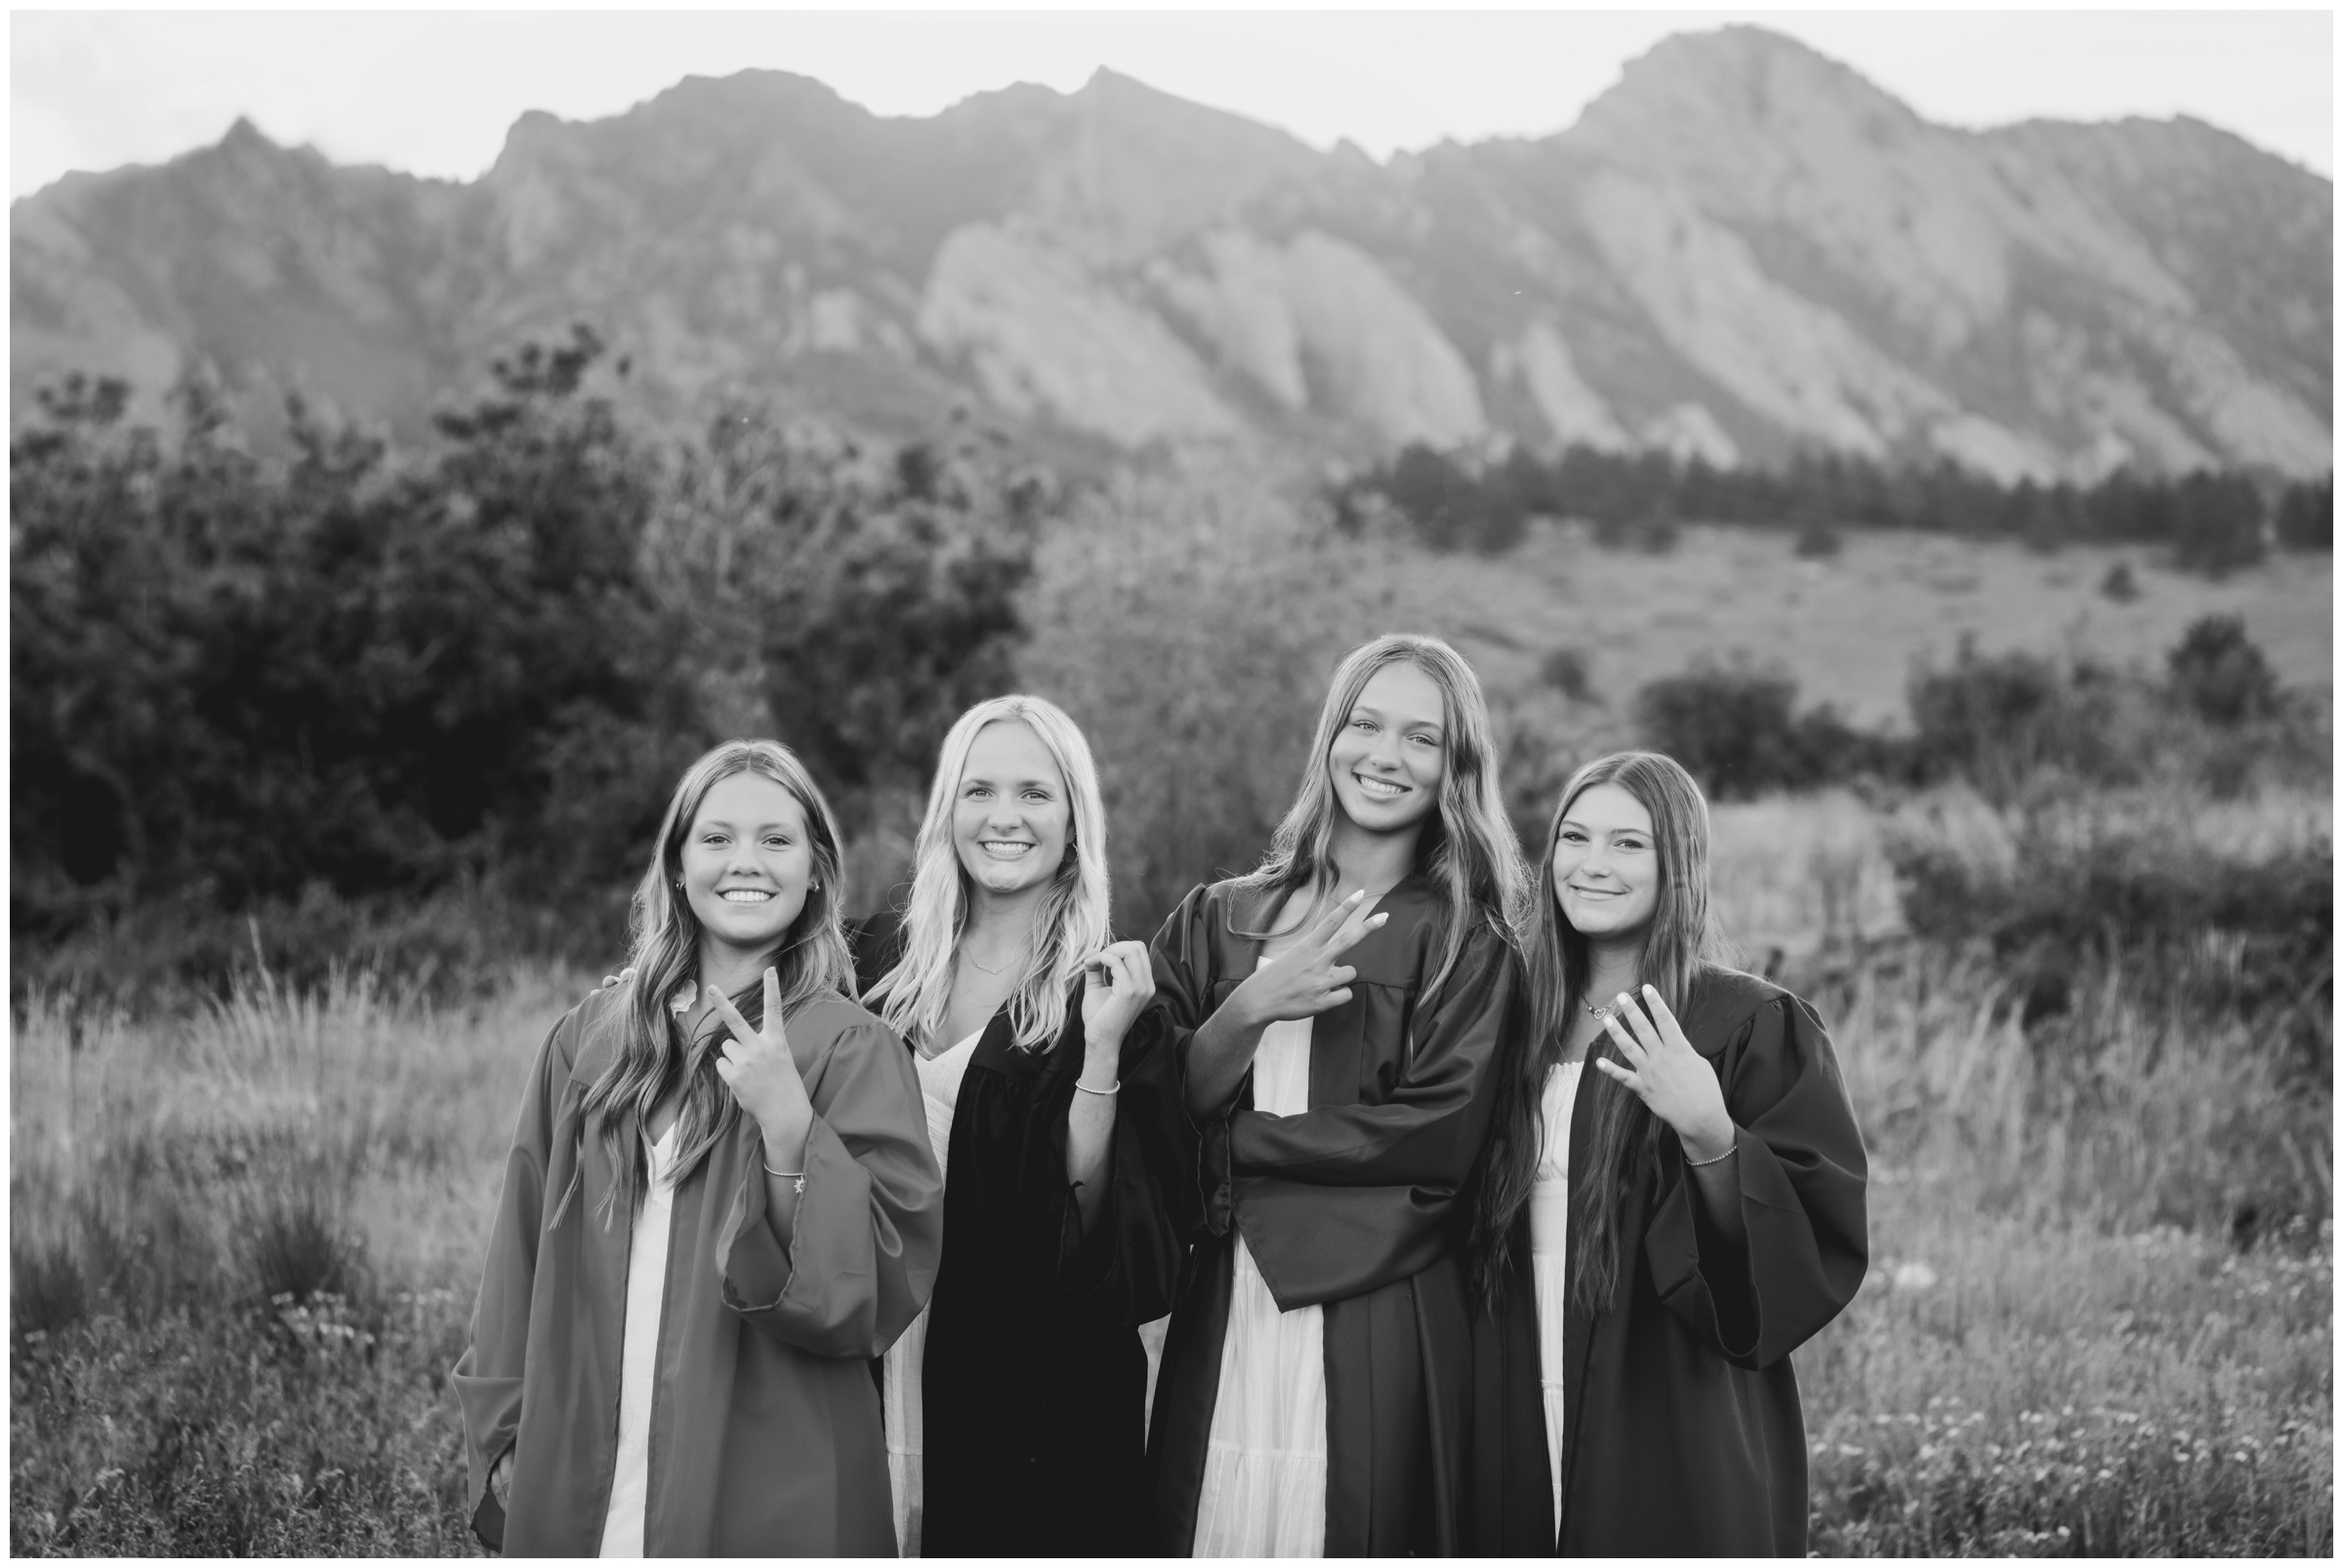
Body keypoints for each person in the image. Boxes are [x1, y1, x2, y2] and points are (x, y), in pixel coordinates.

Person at [451, 739, 943, 1556]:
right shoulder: (593, 1039)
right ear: (677, 866)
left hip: (774, 1465)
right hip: (586, 1453)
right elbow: (521, 1243)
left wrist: (791, 1124)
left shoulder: (850, 1048)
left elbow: (878, 1291)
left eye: (776, 840)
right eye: (716, 838)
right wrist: (502, 1423)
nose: (744, 862)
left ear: (817, 870)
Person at [1144, 633, 1527, 1556]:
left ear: (1455, 768)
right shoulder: (1218, 919)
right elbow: (1151, 1105)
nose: (1385, 756)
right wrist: (1245, 1013)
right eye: (1365, 723)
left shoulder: (1466, 945)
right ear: (1330, 738)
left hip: (1377, 1310)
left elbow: (1433, 1141)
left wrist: (1233, 1152)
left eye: (1421, 738)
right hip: (1220, 1305)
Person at [1464, 750, 1870, 1556]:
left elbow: (1810, 1251)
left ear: (1676, 863)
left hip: (1661, 1396)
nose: (1592, 865)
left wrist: (1712, 1135)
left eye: (1627, 844)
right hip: (1506, 1370)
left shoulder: (1747, 1024)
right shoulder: (1509, 1019)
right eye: (1575, 838)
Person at [852, 694, 1182, 1556]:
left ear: (1075, 819)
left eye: (1036, 793)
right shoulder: (869, 965)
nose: (1005, 817)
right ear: (947, 811)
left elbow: (1099, 1223)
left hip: (1026, 1373)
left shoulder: (1113, 992)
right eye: (980, 790)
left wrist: (1101, 1053)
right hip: (873, 1338)